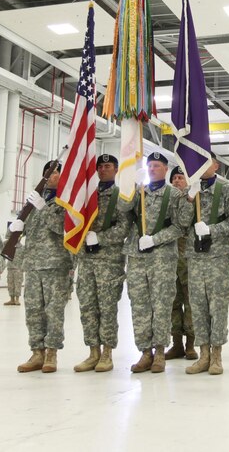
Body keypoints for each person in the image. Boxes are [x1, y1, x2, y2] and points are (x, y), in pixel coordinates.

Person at [125, 152, 194, 374]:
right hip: (137, 258)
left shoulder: (174, 195)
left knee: (162, 306)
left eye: (157, 166)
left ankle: (160, 352)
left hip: (162, 258)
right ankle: (145, 352)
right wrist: (129, 185)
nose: (153, 169)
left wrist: (156, 239)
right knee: (140, 306)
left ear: (166, 169)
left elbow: (181, 225)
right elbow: (122, 210)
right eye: (150, 166)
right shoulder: (138, 193)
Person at [180, 154, 229, 375]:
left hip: (219, 257)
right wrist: (189, 200)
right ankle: (203, 354)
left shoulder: (226, 191)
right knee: (197, 307)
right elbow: (181, 223)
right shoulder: (190, 191)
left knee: (217, 308)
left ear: (216, 166)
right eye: (200, 163)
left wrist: (211, 230)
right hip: (196, 258)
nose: (203, 167)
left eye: (208, 163)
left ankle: (216, 356)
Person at [12, 160, 76, 375]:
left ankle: (51, 353)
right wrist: (14, 227)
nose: (53, 175)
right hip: (32, 264)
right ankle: (36, 351)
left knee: (54, 311)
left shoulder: (67, 201)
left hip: (56, 264)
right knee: (33, 311)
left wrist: (45, 208)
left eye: (58, 172)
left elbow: (62, 228)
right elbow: (20, 231)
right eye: (49, 172)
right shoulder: (32, 201)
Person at [73, 154, 131, 374]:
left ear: (116, 170)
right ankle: (92, 352)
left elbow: (125, 226)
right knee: (87, 307)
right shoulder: (87, 195)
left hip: (109, 259)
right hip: (86, 259)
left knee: (107, 308)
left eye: (108, 166)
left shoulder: (121, 196)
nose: (103, 170)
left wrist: (100, 238)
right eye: (100, 167)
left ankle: (107, 353)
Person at [165, 166, 196, 362]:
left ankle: (191, 345)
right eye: (174, 178)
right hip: (169, 257)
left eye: (180, 177)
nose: (177, 181)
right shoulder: (166, 201)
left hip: (189, 257)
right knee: (172, 302)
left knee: (190, 301)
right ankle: (176, 344)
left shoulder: (194, 199)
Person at [4, 230, 24, 306]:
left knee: (18, 284)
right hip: (10, 268)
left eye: (19, 236)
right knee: (10, 284)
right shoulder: (9, 244)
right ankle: (11, 299)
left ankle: (17, 299)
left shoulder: (22, 248)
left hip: (18, 269)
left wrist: (23, 268)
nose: (17, 238)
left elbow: (25, 258)